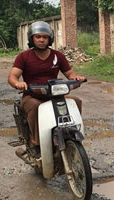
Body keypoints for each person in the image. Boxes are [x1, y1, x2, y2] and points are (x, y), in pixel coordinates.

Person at [7, 21, 85, 159]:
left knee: (76, 101)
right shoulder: (23, 57)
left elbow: (70, 74)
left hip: (54, 94)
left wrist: (76, 78)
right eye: (38, 37)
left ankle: (71, 133)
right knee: (35, 106)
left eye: (45, 37)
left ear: (50, 39)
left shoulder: (58, 56)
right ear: (32, 38)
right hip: (32, 95)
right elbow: (13, 76)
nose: (42, 40)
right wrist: (18, 83)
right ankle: (36, 143)